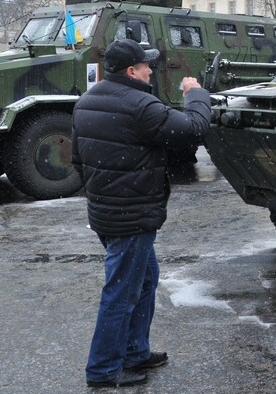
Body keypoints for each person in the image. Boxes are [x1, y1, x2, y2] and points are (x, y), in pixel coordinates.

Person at [72, 39, 211, 388]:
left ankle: (135, 351)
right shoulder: (140, 105)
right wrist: (195, 94)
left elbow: (78, 160)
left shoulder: (86, 102)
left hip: (107, 213)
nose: (151, 70)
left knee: (145, 279)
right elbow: (194, 128)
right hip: (131, 217)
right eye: (146, 65)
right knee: (121, 292)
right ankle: (103, 371)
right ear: (132, 71)